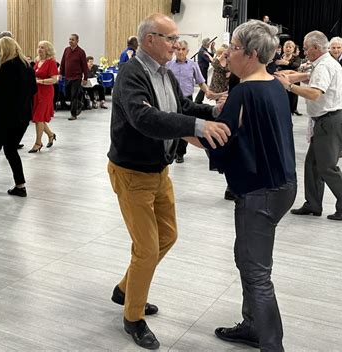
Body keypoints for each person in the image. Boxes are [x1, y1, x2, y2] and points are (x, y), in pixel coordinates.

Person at [106, 13, 231, 349]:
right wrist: (196, 128)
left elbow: (183, 106)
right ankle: (133, 317)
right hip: (131, 173)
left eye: (176, 38)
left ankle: (125, 290)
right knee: (146, 249)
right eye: (170, 38)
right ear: (150, 39)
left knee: (168, 235)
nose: (177, 44)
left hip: (158, 170)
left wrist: (213, 112)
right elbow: (144, 118)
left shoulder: (165, 73)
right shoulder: (132, 74)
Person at [186, 19, 296, 352]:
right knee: (247, 257)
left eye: (232, 48)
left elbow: (218, 139)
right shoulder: (274, 85)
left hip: (260, 190)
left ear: (249, 53)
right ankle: (252, 325)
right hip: (281, 185)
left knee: (256, 271)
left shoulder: (245, 91)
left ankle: (271, 345)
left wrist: (175, 128)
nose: (226, 56)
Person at [276, 31, 342, 221]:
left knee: (327, 166)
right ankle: (313, 203)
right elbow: (305, 76)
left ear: (315, 48)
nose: (304, 51)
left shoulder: (324, 66)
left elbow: (314, 93)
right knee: (312, 164)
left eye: (305, 48)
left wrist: (288, 86)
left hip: (329, 121)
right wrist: (287, 76)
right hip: (326, 121)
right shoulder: (323, 64)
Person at [0, 37, 36, 197]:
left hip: (4, 116)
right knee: (10, 150)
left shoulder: (7, 67)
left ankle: (20, 185)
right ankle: (20, 185)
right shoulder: (27, 66)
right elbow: (33, 90)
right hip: (23, 116)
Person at [166, 40, 218, 163]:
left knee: (184, 126)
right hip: (171, 99)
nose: (180, 52)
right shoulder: (169, 65)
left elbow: (200, 81)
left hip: (187, 100)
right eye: (178, 49)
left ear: (187, 51)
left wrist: (208, 92)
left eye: (183, 49)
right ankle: (171, 150)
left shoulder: (193, 65)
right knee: (171, 124)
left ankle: (180, 153)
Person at [29, 40, 58, 153]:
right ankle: (51, 135)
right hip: (36, 92)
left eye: (42, 47)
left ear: (48, 50)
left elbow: (54, 79)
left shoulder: (51, 62)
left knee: (39, 117)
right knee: (38, 118)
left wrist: (40, 81)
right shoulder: (37, 61)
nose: (40, 49)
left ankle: (38, 143)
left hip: (46, 93)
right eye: (39, 47)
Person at [60, 33, 88, 120]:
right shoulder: (66, 50)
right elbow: (63, 62)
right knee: (67, 95)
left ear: (77, 41)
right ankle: (79, 104)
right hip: (67, 77)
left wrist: (85, 78)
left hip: (77, 77)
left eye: (72, 39)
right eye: (69, 39)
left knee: (74, 96)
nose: (70, 41)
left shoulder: (81, 52)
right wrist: (60, 73)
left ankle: (73, 114)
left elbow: (84, 66)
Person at [276, 40, 301, 115]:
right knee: (282, 95)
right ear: (283, 48)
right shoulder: (280, 57)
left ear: (293, 49)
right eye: (286, 47)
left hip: (294, 80)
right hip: (281, 79)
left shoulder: (296, 58)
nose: (288, 48)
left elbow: (296, 65)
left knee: (293, 96)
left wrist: (286, 63)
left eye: (290, 47)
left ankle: (293, 109)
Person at [194, 38, 215, 103]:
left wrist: (212, 48)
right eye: (209, 43)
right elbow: (209, 60)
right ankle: (198, 100)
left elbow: (211, 55)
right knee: (204, 84)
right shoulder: (202, 51)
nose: (209, 44)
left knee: (204, 84)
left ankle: (199, 100)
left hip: (204, 68)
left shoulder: (204, 50)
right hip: (202, 69)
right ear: (207, 43)